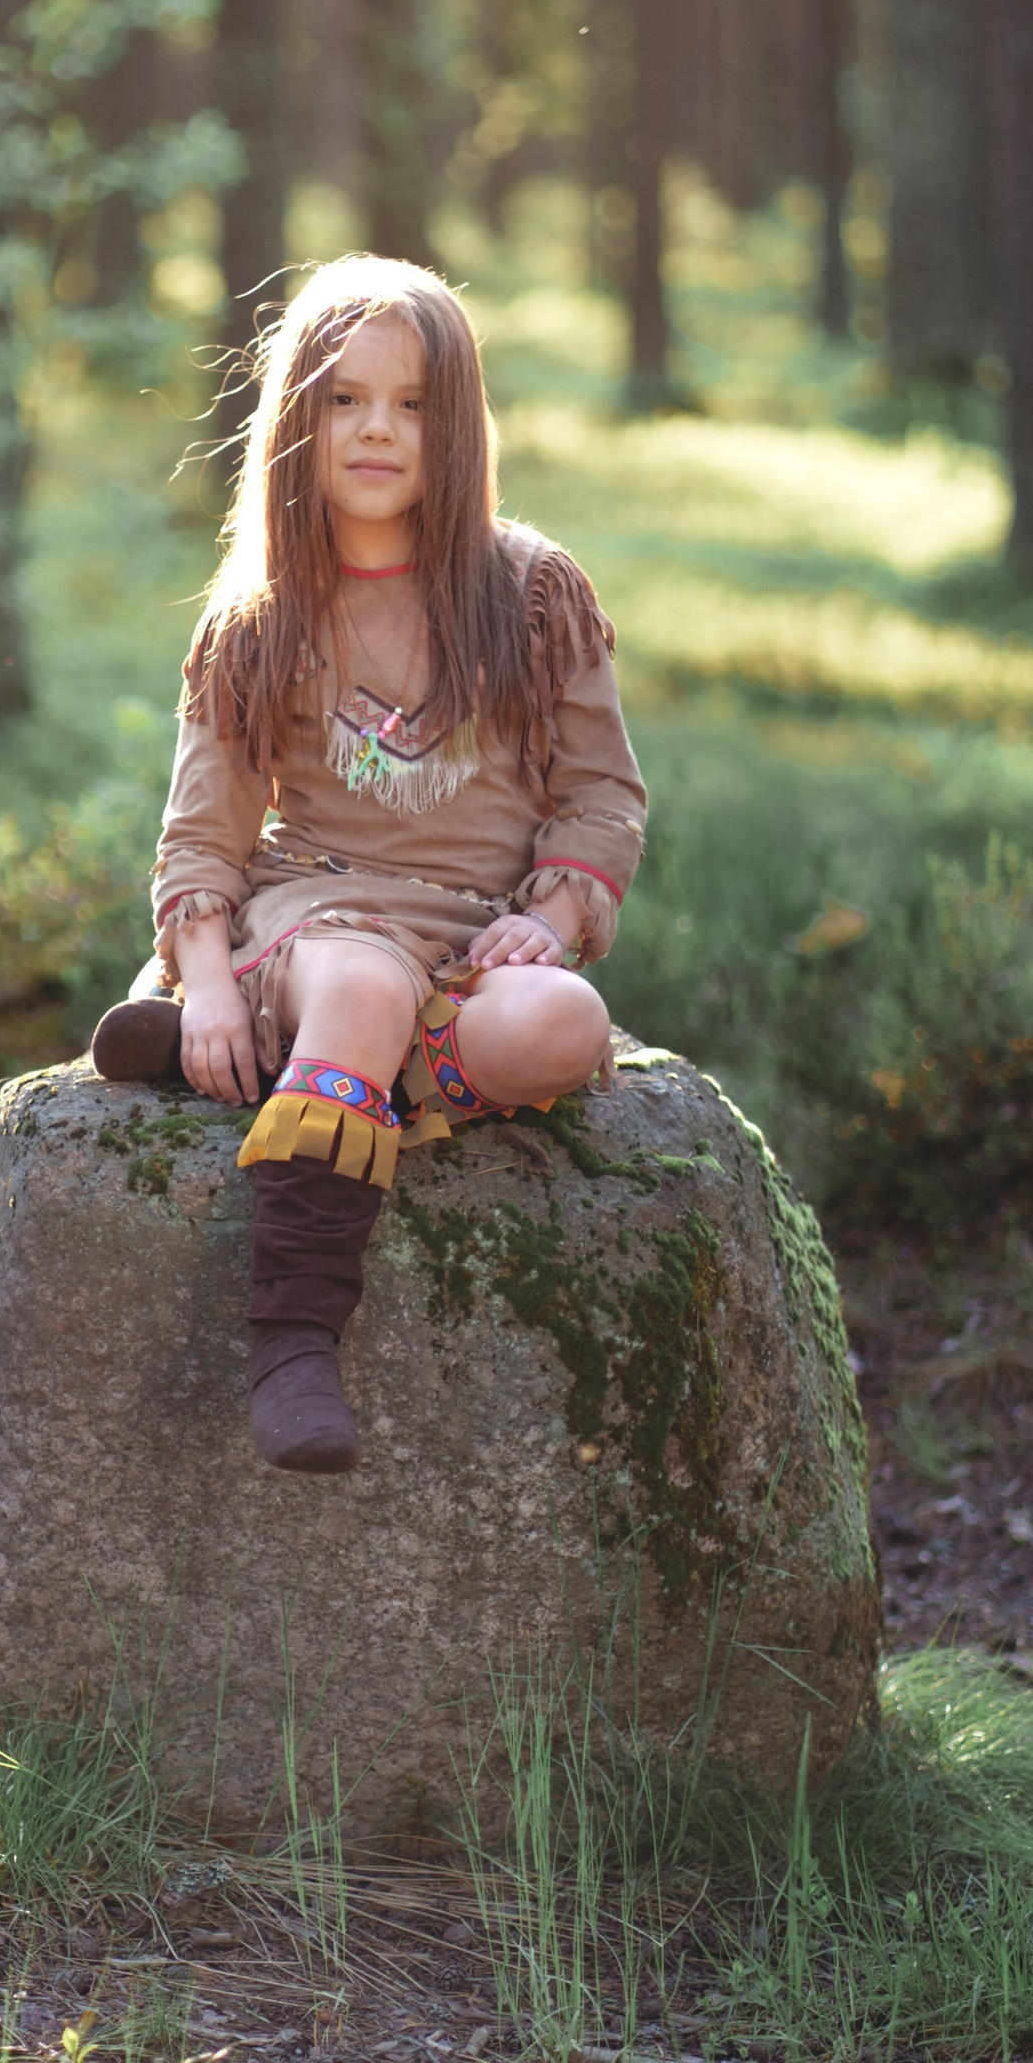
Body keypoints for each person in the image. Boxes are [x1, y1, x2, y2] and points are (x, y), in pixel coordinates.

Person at [91, 255, 646, 1476]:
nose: (378, 431)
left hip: (466, 931)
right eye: (344, 400)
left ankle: (298, 1078)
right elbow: (204, 832)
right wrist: (211, 974)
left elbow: (599, 795)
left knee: (562, 1026)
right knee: (360, 991)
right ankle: (292, 1332)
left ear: (457, 425)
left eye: (410, 404)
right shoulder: (262, 614)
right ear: (298, 419)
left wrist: (549, 920)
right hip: (317, 914)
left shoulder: (531, 592)